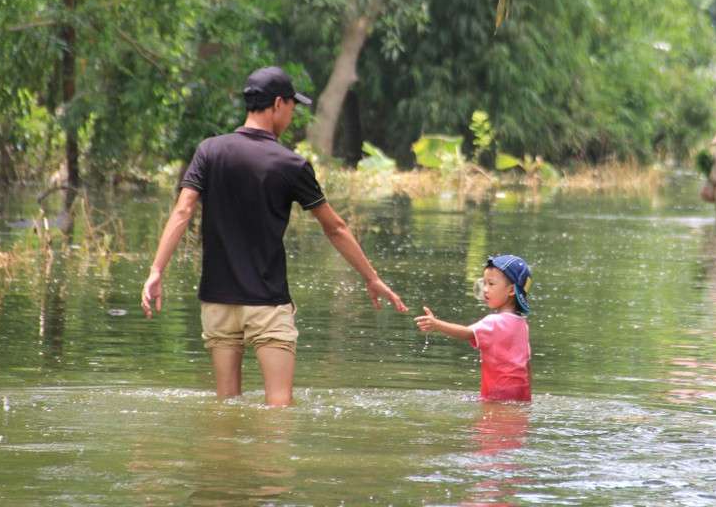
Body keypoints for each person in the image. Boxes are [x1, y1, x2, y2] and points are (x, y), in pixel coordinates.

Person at [140, 66, 408, 406]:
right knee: (279, 411)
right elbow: (335, 227)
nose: (292, 117)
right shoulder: (290, 164)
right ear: (278, 104)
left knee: (226, 408)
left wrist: (156, 271)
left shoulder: (209, 151)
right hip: (267, 303)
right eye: (293, 108)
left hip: (218, 301)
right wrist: (371, 278)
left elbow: (182, 211)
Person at [414, 255, 532, 402]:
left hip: (498, 393)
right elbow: (527, 364)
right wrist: (527, 397)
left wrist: (437, 324)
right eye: (484, 283)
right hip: (519, 393)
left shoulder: (494, 322)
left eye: (491, 284)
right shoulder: (522, 325)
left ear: (511, 290)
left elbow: (468, 333)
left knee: (488, 424)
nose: (485, 290)